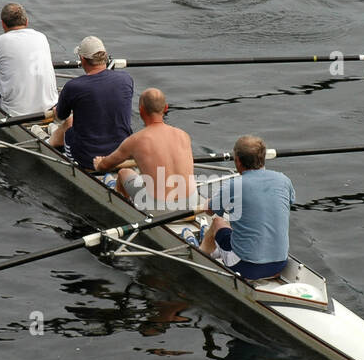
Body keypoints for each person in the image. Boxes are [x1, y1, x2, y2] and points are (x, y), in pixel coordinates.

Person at [200, 135, 294, 280]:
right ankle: (223, 251)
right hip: (279, 264)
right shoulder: (283, 180)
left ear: (237, 161)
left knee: (218, 222)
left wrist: (209, 202)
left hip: (246, 268)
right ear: (263, 158)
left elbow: (209, 210)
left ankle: (201, 254)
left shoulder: (233, 185)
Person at [93, 88, 195, 209]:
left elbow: (105, 166)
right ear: (166, 108)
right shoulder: (183, 135)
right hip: (192, 202)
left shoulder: (136, 140)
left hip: (160, 207)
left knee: (123, 173)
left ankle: (122, 204)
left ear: (141, 110)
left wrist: (99, 163)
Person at [48, 36, 134, 170]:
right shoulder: (126, 79)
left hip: (88, 158)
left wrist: (56, 111)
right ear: (105, 57)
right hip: (123, 153)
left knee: (69, 123)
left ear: (82, 59)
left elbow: (60, 116)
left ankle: (47, 143)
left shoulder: (73, 86)